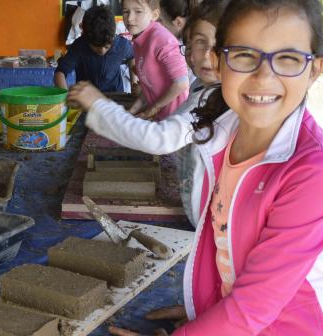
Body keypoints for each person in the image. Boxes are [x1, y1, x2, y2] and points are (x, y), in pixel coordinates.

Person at [93, 0, 323, 336]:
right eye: (245, 55)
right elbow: (227, 247)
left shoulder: (315, 170)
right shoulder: (225, 128)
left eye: (287, 58)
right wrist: (205, 314)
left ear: (315, 68)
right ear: (219, 61)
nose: (263, 77)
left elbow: (257, 303)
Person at [68, 0, 229, 227]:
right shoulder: (203, 89)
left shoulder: (218, 100)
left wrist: (99, 104)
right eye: (193, 46)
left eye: (213, 46)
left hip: (211, 219)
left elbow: (159, 138)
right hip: (201, 211)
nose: (199, 57)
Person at [123, 0, 189, 120]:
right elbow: (149, 85)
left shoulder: (162, 39)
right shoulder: (139, 40)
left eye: (138, 11)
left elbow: (181, 83)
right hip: (160, 117)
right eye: (125, 11)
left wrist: (153, 109)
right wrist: (133, 111)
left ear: (154, 15)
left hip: (176, 120)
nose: (130, 18)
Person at [54, 5, 135, 93]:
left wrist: (133, 84)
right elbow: (60, 73)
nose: (102, 50)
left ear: (113, 37)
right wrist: (65, 99)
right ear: (85, 38)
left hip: (115, 98)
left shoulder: (121, 45)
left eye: (107, 46)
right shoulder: (79, 46)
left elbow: (132, 57)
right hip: (86, 100)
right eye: (96, 46)